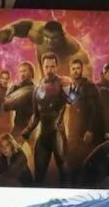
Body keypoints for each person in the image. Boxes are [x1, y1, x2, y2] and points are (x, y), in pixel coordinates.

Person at [21, 53, 71, 184]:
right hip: (43, 135)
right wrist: (28, 129)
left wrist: (69, 88)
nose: (49, 70)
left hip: (57, 133)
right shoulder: (37, 88)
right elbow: (36, 115)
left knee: (64, 171)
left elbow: (73, 101)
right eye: (47, 67)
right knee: (39, 174)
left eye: (52, 66)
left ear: (57, 67)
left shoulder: (63, 83)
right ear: (42, 67)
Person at [0, 19, 92, 77]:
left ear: (62, 37)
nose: (49, 41)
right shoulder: (38, 34)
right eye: (47, 37)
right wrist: (11, 30)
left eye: (54, 38)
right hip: (43, 79)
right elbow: (27, 26)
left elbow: (85, 71)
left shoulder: (73, 49)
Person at [3, 61, 36, 139]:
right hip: (19, 125)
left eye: (24, 71)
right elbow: (6, 106)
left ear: (31, 73)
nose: (22, 74)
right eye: (20, 71)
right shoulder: (16, 88)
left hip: (32, 126)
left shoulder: (35, 89)